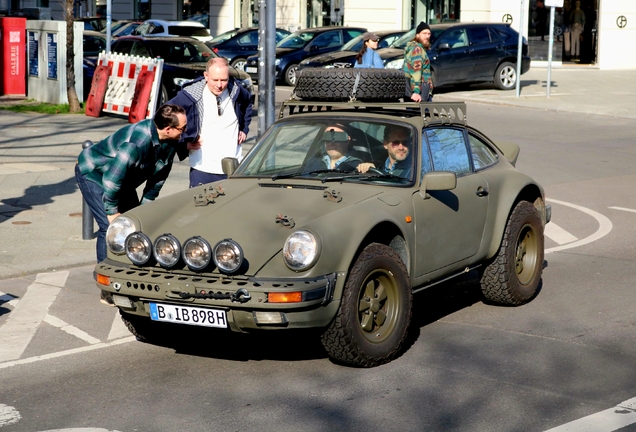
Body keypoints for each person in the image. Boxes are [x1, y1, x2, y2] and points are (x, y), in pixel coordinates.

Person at [75, 104, 187, 303]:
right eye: (182, 129)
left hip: (122, 180)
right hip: (95, 173)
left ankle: (130, 275)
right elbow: (111, 180)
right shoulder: (136, 143)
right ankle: (107, 288)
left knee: (135, 224)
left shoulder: (170, 142)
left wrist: (146, 206)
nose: (185, 132)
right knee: (110, 228)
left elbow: (160, 176)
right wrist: (111, 211)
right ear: (168, 129)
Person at [168, 57, 253, 187]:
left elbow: (248, 103)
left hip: (233, 167)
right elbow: (164, 117)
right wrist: (182, 143)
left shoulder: (237, 90)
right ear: (206, 76)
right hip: (202, 168)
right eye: (215, 80)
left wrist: (244, 129)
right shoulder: (191, 95)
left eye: (224, 80)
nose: (219, 85)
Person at [404, 21, 433, 103]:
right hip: (418, 95)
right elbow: (416, 71)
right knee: (423, 115)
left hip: (417, 93)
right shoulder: (417, 49)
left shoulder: (417, 48)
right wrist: (416, 92)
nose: (427, 36)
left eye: (429, 34)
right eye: (424, 33)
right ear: (417, 35)